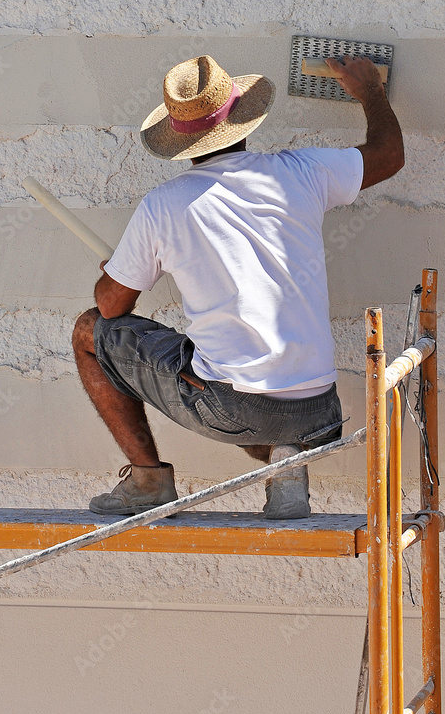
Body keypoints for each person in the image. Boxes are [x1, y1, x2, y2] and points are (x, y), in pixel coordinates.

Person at [72, 53, 404, 519]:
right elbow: (389, 155)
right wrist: (370, 90)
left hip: (234, 411)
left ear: (180, 138)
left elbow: (110, 308)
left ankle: (147, 479)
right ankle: (286, 466)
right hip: (320, 413)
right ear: (244, 120)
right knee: (242, 373)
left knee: (88, 332)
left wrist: (116, 273)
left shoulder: (164, 205)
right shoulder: (301, 173)